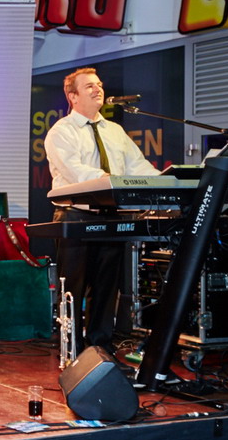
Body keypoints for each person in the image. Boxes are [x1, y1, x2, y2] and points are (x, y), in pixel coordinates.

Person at [44, 67, 159, 355]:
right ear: (73, 96)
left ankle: (100, 350)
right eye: (89, 86)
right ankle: (71, 352)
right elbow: (77, 173)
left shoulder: (115, 131)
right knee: (72, 289)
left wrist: (166, 180)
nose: (98, 89)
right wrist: (113, 181)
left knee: (107, 288)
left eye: (99, 84)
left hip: (111, 215)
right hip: (76, 216)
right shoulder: (61, 132)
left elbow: (138, 167)